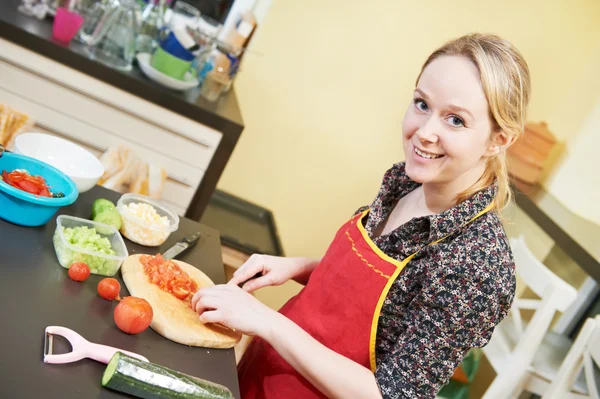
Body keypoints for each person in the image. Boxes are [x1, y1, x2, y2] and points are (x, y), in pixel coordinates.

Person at [192, 33, 531, 398]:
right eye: (421, 104)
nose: (425, 132)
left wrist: (266, 322)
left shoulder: (478, 265)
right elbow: (383, 300)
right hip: (261, 378)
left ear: (500, 139)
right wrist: (303, 267)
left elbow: (391, 394)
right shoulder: (408, 181)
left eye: (455, 121)